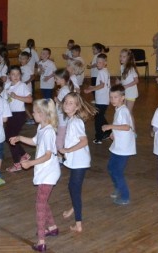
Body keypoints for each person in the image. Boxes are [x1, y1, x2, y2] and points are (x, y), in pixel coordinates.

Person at [9, 99, 61, 252]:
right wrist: (19, 138)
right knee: (43, 200)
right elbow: (34, 141)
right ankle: (52, 227)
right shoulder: (41, 127)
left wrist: (30, 163)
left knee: (39, 204)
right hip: (44, 170)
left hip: (49, 171)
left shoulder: (49, 132)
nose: (32, 113)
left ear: (43, 114)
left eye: (35, 111)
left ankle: (41, 241)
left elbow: (47, 155)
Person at [58, 92, 96, 233]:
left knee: (74, 189)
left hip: (80, 161)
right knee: (72, 186)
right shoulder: (71, 120)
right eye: (66, 102)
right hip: (76, 160)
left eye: (71, 103)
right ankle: (73, 208)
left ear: (77, 106)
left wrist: (67, 150)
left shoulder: (76, 122)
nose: (67, 105)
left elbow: (84, 141)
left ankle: (78, 224)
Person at [102, 85, 136, 205]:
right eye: (111, 97)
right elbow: (120, 125)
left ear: (122, 98)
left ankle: (125, 196)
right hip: (118, 145)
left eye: (115, 97)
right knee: (111, 167)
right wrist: (113, 133)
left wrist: (110, 126)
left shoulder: (123, 111)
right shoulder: (118, 109)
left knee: (117, 172)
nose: (113, 99)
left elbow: (126, 127)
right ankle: (118, 188)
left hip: (124, 148)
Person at [3, 66, 33, 172]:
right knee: (8, 137)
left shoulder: (22, 85)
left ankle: (17, 164)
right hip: (10, 114)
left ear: (20, 75)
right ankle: (23, 154)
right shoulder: (7, 85)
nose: (15, 76)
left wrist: (16, 97)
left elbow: (30, 99)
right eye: (13, 74)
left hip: (18, 114)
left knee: (11, 139)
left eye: (18, 74)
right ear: (9, 75)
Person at [83, 53, 111, 144]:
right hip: (103, 99)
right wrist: (93, 87)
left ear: (105, 63)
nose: (98, 64)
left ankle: (99, 138)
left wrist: (90, 89)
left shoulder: (102, 72)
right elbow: (103, 85)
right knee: (100, 116)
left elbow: (102, 85)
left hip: (102, 100)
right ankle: (108, 132)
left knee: (98, 119)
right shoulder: (105, 71)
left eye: (100, 62)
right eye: (97, 62)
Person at [54, 68, 77, 151]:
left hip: (63, 120)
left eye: (56, 79)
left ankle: (60, 154)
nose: (55, 80)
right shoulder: (64, 89)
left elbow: (67, 105)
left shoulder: (65, 90)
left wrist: (57, 101)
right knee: (61, 137)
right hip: (61, 118)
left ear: (62, 80)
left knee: (60, 139)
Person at [117, 49, 139, 125]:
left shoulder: (131, 68)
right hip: (125, 92)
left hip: (131, 93)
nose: (121, 58)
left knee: (129, 112)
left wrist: (126, 86)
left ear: (128, 58)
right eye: (120, 56)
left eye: (124, 57)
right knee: (124, 111)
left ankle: (133, 130)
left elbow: (136, 80)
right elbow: (124, 79)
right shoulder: (122, 67)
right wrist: (120, 82)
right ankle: (126, 127)